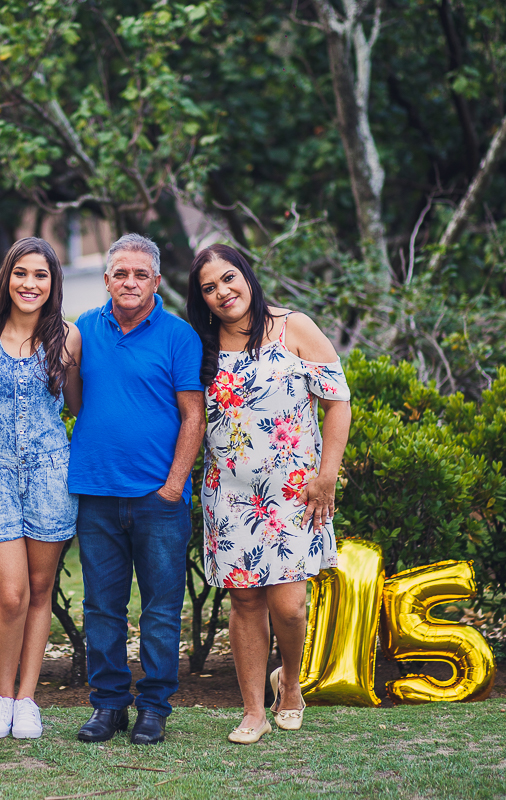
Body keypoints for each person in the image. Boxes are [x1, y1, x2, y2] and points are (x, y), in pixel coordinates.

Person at [186, 243, 351, 745]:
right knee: (246, 602)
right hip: (230, 497)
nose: (222, 293)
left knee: (290, 606)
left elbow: (338, 401)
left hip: (295, 495)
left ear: (248, 277)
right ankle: (253, 710)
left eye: (229, 279)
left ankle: (292, 685)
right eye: (209, 288)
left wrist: (327, 475)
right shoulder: (202, 343)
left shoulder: (292, 327)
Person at [68, 233, 205, 745]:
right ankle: (108, 706)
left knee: (161, 610)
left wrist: (173, 487)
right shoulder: (83, 329)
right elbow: (77, 402)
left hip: (158, 500)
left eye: (140, 274)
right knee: (102, 609)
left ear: (156, 282)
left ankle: (154, 707)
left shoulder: (178, 335)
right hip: (97, 494)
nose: (129, 282)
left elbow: (194, 416)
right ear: (106, 280)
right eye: (120, 274)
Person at [0, 238, 83, 740]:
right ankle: (2, 697)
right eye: (21, 273)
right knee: (9, 595)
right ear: (6, 278)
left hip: (50, 476)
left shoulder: (68, 339)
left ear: (53, 283)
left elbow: (75, 406)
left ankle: (28, 701)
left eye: (41, 275)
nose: (29, 284)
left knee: (40, 591)